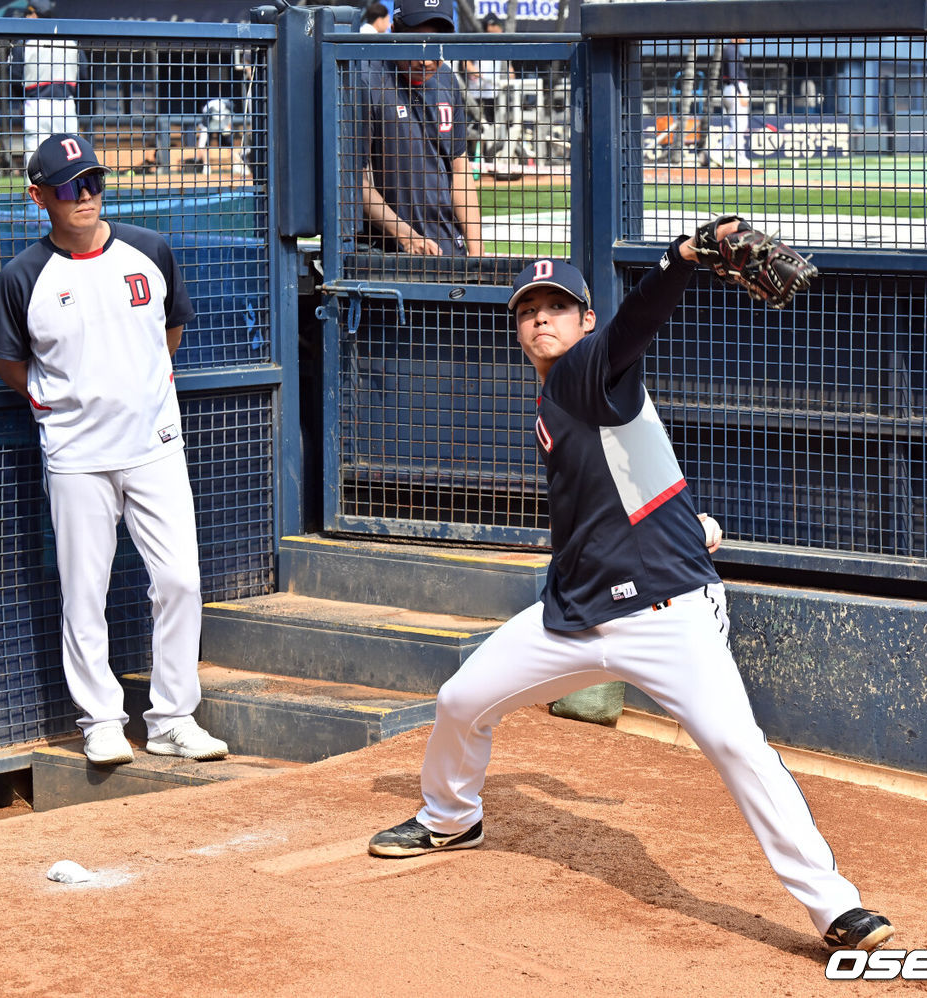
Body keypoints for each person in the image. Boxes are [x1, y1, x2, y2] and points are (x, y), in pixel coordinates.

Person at [368, 224, 895, 955]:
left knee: (735, 746)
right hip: (577, 614)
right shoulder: (562, 402)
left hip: (663, 612)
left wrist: (678, 261)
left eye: (558, 306)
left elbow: (638, 320)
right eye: (528, 309)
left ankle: (836, 907)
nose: (541, 319)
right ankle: (450, 819)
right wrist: (690, 518)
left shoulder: (590, 368)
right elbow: (624, 488)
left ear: (586, 321)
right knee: (460, 700)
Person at [0, 133, 229, 767]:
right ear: (39, 197)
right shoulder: (22, 277)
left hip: (154, 446)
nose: (86, 194)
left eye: (93, 180)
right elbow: (11, 362)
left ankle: (174, 718)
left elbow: (171, 330)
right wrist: (55, 404)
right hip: (76, 456)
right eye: (70, 186)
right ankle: (99, 720)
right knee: (83, 590)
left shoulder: (150, 251)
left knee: (178, 580)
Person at [358, 0, 483, 257]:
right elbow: (354, 180)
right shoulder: (367, 80)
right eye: (415, 41)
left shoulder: (448, 79)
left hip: (449, 249)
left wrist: (477, 255)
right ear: (393, 31)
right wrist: (406, 236)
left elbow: (461, 172)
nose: (425, 58)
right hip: (386, 255)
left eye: (435, 42)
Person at [8, 0, 89, 169]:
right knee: (70, 155)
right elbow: (84, 75)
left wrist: (23, 101)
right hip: (66, 105)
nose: (27, 17)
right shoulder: (71, 41)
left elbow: (14, 78)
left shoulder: (24, 42)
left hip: (36, 104)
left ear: (37, 15)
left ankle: (35, 196)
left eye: (29, 13)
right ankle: (70, 194)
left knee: (35, 155)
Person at [462, 12, 515, 127]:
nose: (500, 29)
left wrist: (512, 83)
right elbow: (466, 64)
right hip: (477, 94)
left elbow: (509, 70)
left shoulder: (501, 45)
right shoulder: (478, 43)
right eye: (498, 25)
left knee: (494, 126)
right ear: (490, 26)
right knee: (475, 128)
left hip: (494, 94)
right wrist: (480, 76)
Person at [720, 38, 753, 168]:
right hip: (735, 88)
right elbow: (733, 75)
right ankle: (738, 158)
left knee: (738, 126)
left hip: (731, 89)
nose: (745, 38)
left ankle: (718, 151)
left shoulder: (732, 49)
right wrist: (741, 94)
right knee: (739, 125)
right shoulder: (731, 50)